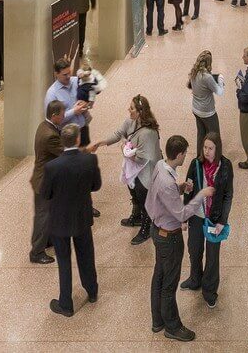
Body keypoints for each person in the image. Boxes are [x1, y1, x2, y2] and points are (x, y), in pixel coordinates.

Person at [146, 134, 215, 343]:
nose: (186, 156)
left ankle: (157, 320)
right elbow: (182, 214)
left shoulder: (161, 165)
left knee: (159, 275)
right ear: (178, 155)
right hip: (169, 238)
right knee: (169, 283)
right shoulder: (168, 182)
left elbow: (164, 193)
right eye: (184, 153)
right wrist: (201, 195)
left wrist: (181, 187)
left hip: (157, 229)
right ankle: (173, 327)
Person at [40, 123, 101, 316]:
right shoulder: (89, 160)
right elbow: (96, 186)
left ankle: (66, 304)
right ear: (78, 139)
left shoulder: (52, 167)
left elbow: (45, 194)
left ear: (62, 141)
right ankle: (92, 291)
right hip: (82, 217)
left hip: (60, 221)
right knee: (86, 256)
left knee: (64, 261)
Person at [91, 94, 162, 245]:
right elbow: (119, 134)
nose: (128, 110)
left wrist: (124, 149)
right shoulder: (130, 122)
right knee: (132, 188)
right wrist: (100, 143)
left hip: (147, 169)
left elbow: (141, 158)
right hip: (135, 167)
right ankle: (137, 216)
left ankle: (146, 227)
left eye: (131, 108)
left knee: (143, 194)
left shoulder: (148, 133)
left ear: (140, 112)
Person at [181, 131, 234, 308]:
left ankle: (210, 291)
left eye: (210, 148)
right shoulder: (196, 164)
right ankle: (195, 279)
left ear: (217, 149)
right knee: (194, 249)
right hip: (196, 216)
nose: (207, 151)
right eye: (204, 147)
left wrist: (222, 221)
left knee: (212, 256)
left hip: (214, 218)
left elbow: (228, 195)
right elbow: (188, 190)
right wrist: (184, 216)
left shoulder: (225, 166)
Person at [29, 99, 65, 264]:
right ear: (54, 115)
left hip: (42, 178)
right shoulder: (50, 135)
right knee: (43, 217)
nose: (64, 117)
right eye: (62, 115)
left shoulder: (43, 126)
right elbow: (65, 153)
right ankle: (37, 252)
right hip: (44, 182)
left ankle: (47, 240)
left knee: (47, 213)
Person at [45, 58, 90, 146]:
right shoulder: (51, 93)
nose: (68, 76)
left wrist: (86, 103)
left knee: (85, 151)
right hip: (67, 136)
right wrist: (74, 111)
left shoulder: (77, 81)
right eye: (65, 74)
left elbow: (90, 96)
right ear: (56, 74)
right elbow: (52, 119)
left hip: (83, 128)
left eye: (69, 72)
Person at [188, 50, 225, 157]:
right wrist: (221, 80)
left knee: (201, 134)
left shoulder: (194, 72)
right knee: (214, 135)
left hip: (196, 109)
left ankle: (200, 156)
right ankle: (217, 157)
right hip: (207, 112)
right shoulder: (207, 77)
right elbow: (219, 92)